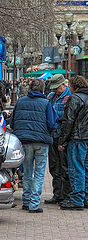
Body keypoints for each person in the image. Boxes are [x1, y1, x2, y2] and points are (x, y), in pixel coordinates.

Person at [10, 79, 58, 213]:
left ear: (30, 88)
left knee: (27, 172)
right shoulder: (46, 103)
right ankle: (34, 204)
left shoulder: (20, 101)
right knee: (39, 173)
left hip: (24, 141)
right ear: (43, 90)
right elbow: (52, 123)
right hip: (41, 142)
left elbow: (13, 122)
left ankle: (26, 201)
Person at [58, 76, 88, 210]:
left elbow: (68, 121)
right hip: (86, 137)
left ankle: (77, 199)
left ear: (74, 86)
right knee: (85, 168)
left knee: (76, 169)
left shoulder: (75, 98)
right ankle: (85, 197)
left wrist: (62, 140)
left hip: (77, 137)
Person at [44, 74, 72, 205]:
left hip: (63, 137)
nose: (55, 91)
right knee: (54, 166)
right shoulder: (50, 96)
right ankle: (57, 194)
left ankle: (66, 195)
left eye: (57, 88)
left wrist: (54, 117)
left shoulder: (70, 96)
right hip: (52, 136)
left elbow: (68, 117)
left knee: (65, 166)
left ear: (63, 85)